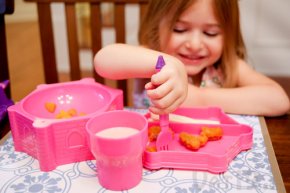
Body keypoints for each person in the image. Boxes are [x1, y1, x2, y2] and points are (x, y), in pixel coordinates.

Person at [94, 0, 290, 116]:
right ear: (156, 28)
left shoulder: (227, 66)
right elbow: (103, 60)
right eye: (179, 29)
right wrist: (170, 63)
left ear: (228, 35)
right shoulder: (153, 59)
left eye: (211, 33)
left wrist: (199, 98)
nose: (195, 44)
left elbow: (279, 100)